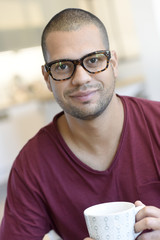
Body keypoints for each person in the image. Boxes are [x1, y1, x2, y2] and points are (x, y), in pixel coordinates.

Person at [0, 7, 160, 240]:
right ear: (47, 78)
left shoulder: (155, 125)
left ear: (113, 64)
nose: (81, 78)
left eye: (93, 60)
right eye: (63, 66)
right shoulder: (32, 166)